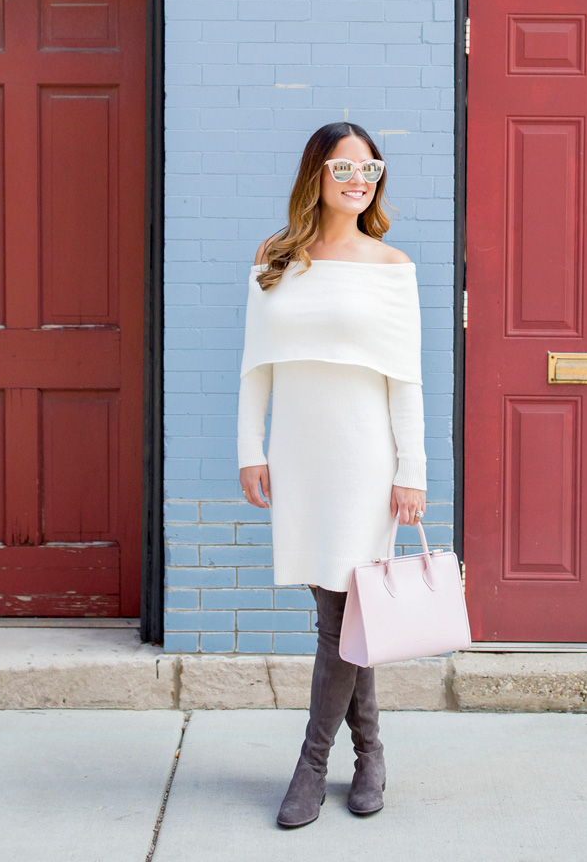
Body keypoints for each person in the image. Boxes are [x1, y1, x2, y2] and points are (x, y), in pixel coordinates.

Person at [237, 121, 427, 827]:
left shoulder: (391, 267)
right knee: (340, 611)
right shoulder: (274, 259)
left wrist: (413, 470)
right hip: (299, 454)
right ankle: (371, 752)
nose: (358, 181)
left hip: (365, 458)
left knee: (340, 613)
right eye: (344, 168)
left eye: (370, 171)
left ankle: (312, 766)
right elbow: (256, 365)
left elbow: (405, 381)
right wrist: (248, 450)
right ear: (315, 174)